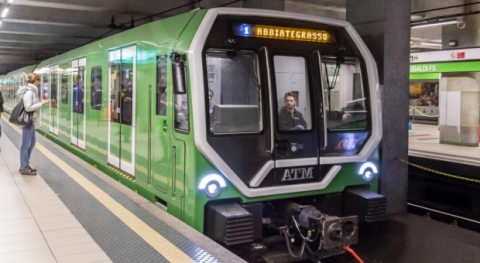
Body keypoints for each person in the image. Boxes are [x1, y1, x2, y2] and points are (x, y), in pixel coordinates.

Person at [17, 73, 49, 175]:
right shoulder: (29, 92)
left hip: (31, 120)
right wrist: (41, 104)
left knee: (32, 143)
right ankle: (24, 167)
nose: (39, 82)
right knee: (26, 144)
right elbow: (28, 107)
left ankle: (25, 163)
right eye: (38, 80)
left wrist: (40, 102)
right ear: (35, 81)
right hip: (28, 121)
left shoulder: (32, 91)